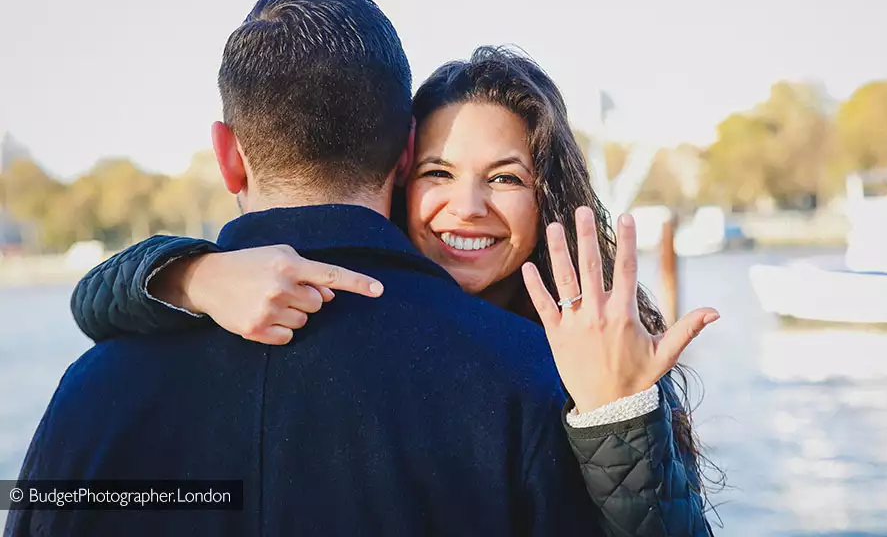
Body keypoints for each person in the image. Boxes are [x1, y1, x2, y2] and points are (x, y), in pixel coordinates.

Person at [62, 42, 720, 536]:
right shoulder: (259, 291)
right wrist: (191, 273)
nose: (466, 207)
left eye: (506, 179)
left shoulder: (587, 362)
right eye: (440, 171)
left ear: (546, 196)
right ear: (403, 166)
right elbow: (92, 301)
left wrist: (618, 419)